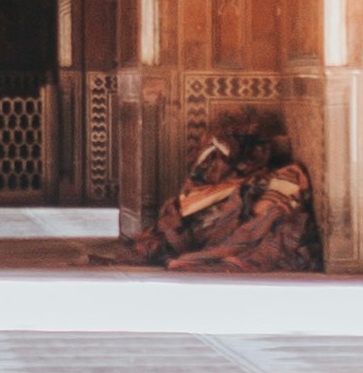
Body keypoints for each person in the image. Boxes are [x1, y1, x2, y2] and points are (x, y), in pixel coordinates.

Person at [115, 101, 322, 272]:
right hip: (233, 212)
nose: (210, 164)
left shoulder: (255, 175)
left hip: (242, 206)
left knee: (251, 225)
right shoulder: (182, 231)